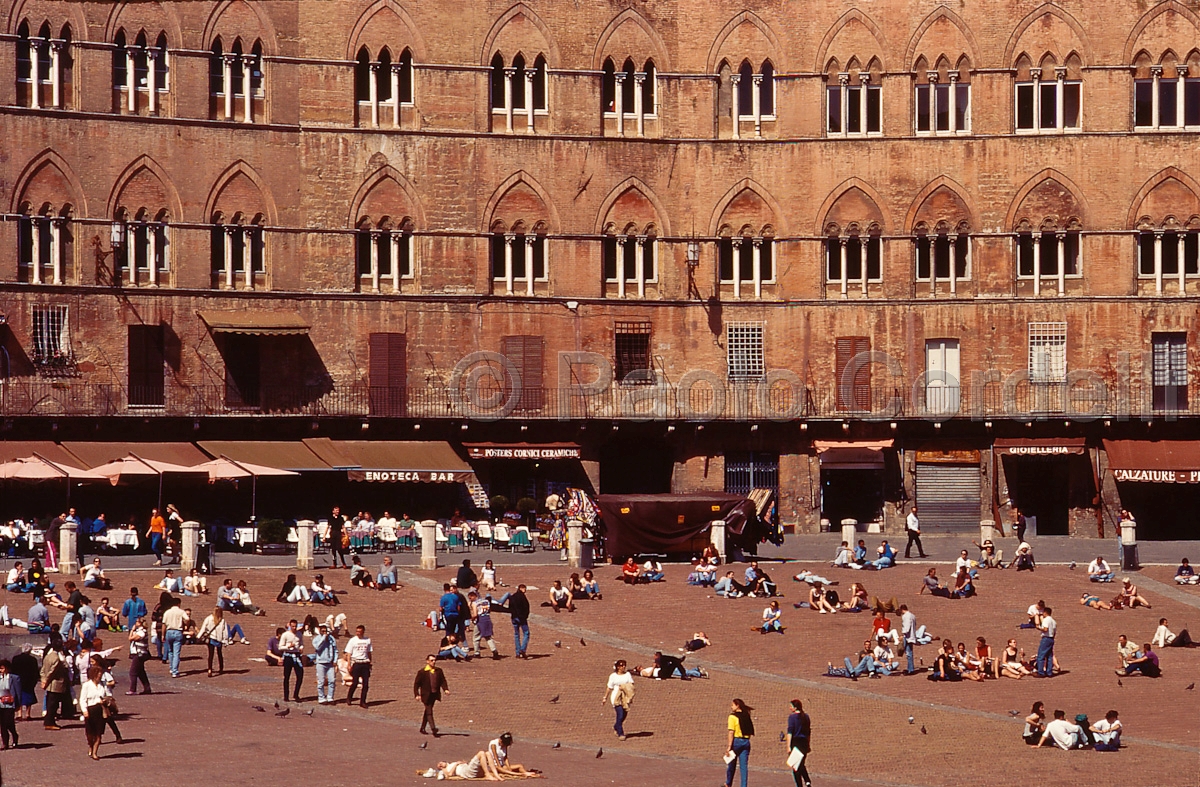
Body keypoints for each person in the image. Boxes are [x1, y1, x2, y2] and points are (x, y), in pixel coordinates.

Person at [39, 633, 71, 730]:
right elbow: (52, 672)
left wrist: (43, 679)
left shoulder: (48, 656)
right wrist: (46, 681)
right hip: (55, 684)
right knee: (53, 704)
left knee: (50, 703)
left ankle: (49, 721)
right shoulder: (56, 658)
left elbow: (43, 670)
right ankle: (50, 722)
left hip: (50, 683)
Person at [80, 665, 111, 759]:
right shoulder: (87, 685)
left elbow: (107, 695)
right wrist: (84, 710)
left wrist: (105, 701)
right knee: (90, 734)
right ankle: (91, 746)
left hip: (100, 710)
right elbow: (82, 699)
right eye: (98, 674)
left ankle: (95, 753)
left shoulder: (102, 685)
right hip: (90, 710)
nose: (100, 676)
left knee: (98, 734)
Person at [414, 653, 449, 736]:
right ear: (427, 661)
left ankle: (422, 727)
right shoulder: (422, 672)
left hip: (434, 695)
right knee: (429, 712)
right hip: (425, 695)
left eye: (434, 660)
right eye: (432, 660)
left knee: (427, 711)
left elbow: (442, 681)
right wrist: (416, 694)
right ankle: (433, 728)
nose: (434, 662)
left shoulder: (438, 671)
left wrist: (445, 689)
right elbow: (416, 684)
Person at [724, 698, 754, 787]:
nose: (731, 707)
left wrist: (729, 746)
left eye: (732, 705)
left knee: (731, 763)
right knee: (743, 767)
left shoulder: (732, 717)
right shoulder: (746, 715)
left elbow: (731, 732)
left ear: (737, 706)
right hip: (746, 741)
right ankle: (743, 785)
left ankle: (728, 782)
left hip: (737, 741)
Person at [496, 584, 531, 659]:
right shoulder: (522, 596)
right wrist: (525, 616)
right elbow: (526, 607)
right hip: (521, 618)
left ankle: (517, 652)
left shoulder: (513, 596)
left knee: (516, 634)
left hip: (514, 617)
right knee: (526, 633)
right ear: (522, 588)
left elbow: (510, 607)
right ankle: (523, 649)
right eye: (525, 589)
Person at [194, 606, 230, 677]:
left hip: (211, 639)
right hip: (219, 639)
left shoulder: (208, 618)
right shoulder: (222, 620)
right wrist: (225, 641)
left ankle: (209, 669)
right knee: (219, 654)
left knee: (211, 655)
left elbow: (203, 628)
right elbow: (225, 632)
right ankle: (221, 668)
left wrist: (198, 637)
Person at [604, 659, 634, 740]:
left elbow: (631, 684)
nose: (623, 667)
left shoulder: (627, 674)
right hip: (616, 696)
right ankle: (621, 733)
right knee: (620, 714)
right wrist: (605, 698)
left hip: (625, 696)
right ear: (617, 667)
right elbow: (609, 687)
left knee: (624, 714)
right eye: (621, 665)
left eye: (624, 665)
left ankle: (616, 726)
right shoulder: (613, 676)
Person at [785, 699, 812, 787]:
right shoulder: (806, 717)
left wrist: (788, 746)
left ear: (795, 708)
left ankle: (799, 785)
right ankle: (807, 781)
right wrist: (808, 743)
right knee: (801, 764)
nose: (789, 708)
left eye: (791, 706)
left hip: (796, 742)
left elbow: (790, 732)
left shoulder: (792, 718)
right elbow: (808, 732)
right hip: (804, 742)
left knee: (795, 766)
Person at [345, 624, 372, 707]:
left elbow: (369, 652)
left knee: (365, 684)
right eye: (357, 631)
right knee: (355, 682)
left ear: (363, 632)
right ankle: (349, 697)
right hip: (356, 663)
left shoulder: (367, 640)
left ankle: (363, 701)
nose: (358, 633)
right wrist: (349, 664)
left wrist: (370, 662)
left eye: (360, 632)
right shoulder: (352, 640)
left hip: (365, 663)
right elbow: (349, 653)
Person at [311, 621, 339, 704]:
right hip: (320, 662)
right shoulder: (316, 639)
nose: (324, 633)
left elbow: (335, 650)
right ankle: (321, 697)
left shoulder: (331, 638)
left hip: (330, 663)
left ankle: (330, 697)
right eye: (322, 631)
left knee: (332, 680)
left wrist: (335, 660)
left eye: (325, 631)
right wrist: (323, 638)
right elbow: (317, 648)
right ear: (319, 631)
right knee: (321, 681)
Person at [279, 619, 305, 701]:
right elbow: (280, 647)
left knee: (300, 675)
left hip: (297, 656)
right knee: (287, 677)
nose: (294, 628)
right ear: (290, 626)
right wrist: (288, 647)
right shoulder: (285, 635)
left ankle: (296, 694)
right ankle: (286, 696)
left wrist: (301, 648)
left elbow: (301, 643)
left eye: (295, 626)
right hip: (288, 656)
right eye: (292, 626)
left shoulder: (299, 634)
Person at [126, 616, 152, 695]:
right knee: (141, 672)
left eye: (137, 622)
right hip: (137, 653)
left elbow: (130, 638)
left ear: (140, 623)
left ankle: (132, 689)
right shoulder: (139, 631)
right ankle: (147, 688)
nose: (136, 623)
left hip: (139, 654)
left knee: (133, 672)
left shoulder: (141, 632)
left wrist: (132, 630)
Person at [0, 660, 19, 750]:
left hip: (10, 704)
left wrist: (18, 704)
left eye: (2, 668)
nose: (1, 670)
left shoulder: (14, 678)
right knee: (2, 724)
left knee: (8, 723)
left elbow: (18, 692)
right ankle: (5, 744)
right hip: (0, 704)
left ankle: (14, 735)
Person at [1035, 606, 1056, 677]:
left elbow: (1045, 629)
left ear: (1045, 613)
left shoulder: (1046, 620)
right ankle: (1049, 672)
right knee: (1049, 656)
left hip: (1046, 638)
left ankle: (1040, 672)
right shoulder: (1053, 621)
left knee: (1041, 655)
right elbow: (1054, 632)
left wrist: (1039, 628)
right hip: (1051, 638)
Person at [900, 604, 918, 674]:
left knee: (908, 653)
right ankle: (909, 668)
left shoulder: (906, 616)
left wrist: (903, 634)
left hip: (908, 637)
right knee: (909, 653)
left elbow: (907, 627)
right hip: (912, 636)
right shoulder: (912, 616)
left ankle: (911, 669)